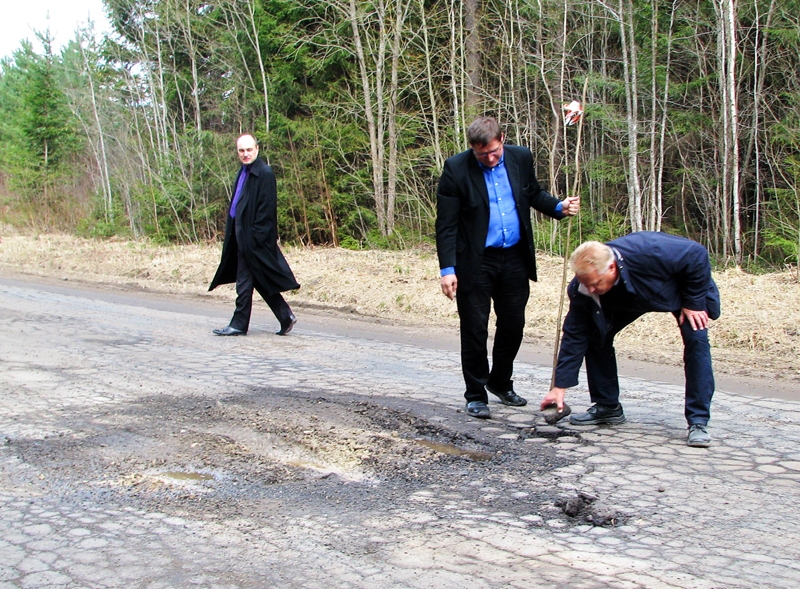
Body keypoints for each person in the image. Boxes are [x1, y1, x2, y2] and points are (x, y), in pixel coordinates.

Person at [435, 116, 580, 419]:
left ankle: (500, 382)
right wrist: (447, 269)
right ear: (472, 149)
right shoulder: (456, 169)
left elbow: (533, 194)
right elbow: (446, 225)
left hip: (514, 257)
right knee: (474, 328)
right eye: (481, 154)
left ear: (502, 139)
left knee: (513, 325)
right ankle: (476, 394)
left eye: (493, 152)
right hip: (474, 261)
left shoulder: (520, 157)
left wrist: (559, 207)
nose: (489, 159)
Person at [539, 232, 721, 447]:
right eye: (585, 284)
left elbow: (697, 254)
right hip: (628, 296)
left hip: (679, 290)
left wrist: (694, 302)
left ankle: (698, 421)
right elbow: (574, 335)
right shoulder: (584, 288)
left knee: (696, 340)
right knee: (596, 336)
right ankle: (608, 407)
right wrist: (560, 387)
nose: (590, 290)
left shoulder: (649, 250)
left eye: (595, 284)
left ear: (612, 268)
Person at [209, 133, 299, 336]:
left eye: (249, 150)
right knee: (255, 279)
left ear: (257, 149)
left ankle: (239, 324)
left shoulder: (264, 173)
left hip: (253, 239)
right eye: (241, 150)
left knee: (244, 281)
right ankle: (285, 316)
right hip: (240, 236)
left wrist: (257, 239)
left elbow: (267, 211)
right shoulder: (243, 172)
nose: (245, 154)